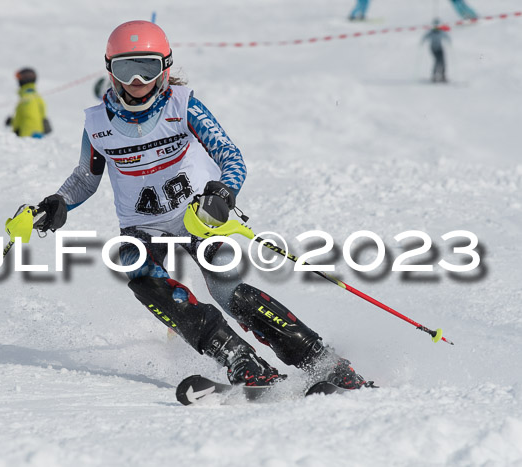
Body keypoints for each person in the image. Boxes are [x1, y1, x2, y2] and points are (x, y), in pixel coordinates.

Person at [25, 21, 373, 390]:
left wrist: (222, 194)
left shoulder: (182, 104)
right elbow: (85, 177)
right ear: (110, 70)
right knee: (139, 273)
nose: (138, 80)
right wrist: (59, 203)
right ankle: (240, 359)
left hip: (199, 218)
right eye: (126, 68)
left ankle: (322, 360)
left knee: (228, 292)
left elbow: (231, 156)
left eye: (149, 67)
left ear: (166, 68)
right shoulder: (98, 124)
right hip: (142, 229)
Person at [6, 68, 51, 138]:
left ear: (24, 79)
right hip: (32, 135)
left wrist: (18, 130)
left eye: (19, 78)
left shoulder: (27, 97)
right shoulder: (36, 96)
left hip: (28, 135)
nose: (18, 81)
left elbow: (30, 116)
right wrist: (12, 121)